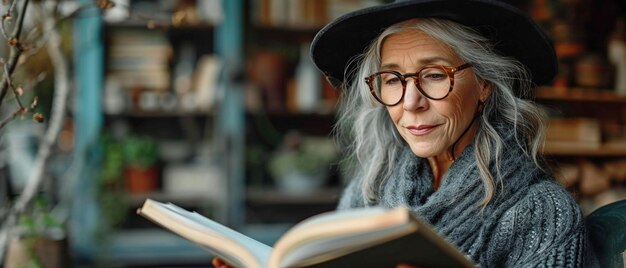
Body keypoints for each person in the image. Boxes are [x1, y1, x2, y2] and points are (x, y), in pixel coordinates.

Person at [214, 0, 597, 267]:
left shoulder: (543, 213)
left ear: (485, 85)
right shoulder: (368, 192)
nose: (409, 102)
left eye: (434, 75)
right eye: (393, 79)